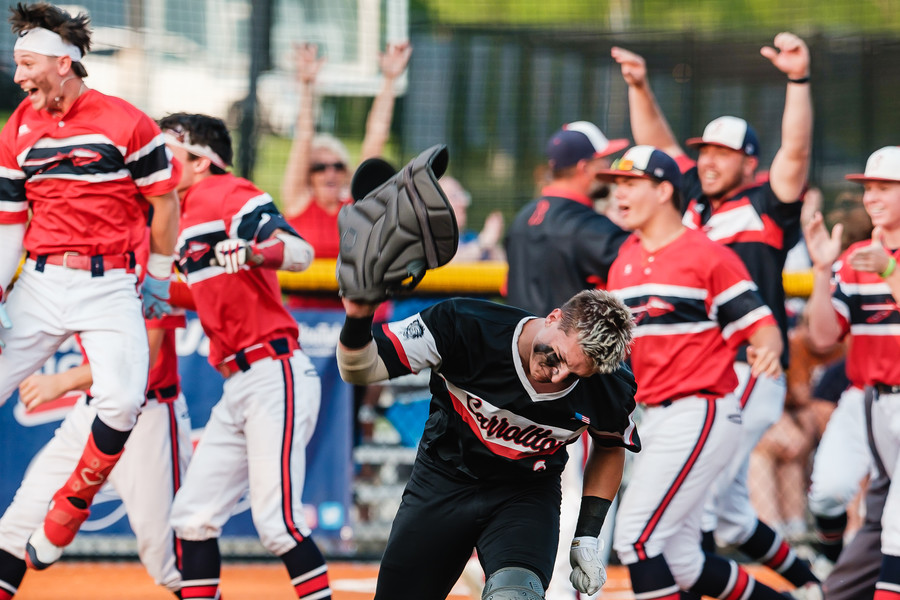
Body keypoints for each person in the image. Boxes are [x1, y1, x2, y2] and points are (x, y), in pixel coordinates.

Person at [612, 34, 821, 594]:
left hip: (748, 364)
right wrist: (639, 87)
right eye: (703, 151)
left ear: (748, 161)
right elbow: (653, 145)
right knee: (725, 514)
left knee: (679, 522)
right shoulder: (689, 210)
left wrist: (798, 82)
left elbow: (795, 153)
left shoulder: (766, 205)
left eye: (721, 152)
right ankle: (807, 585)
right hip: (701, 361)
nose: (707, 160)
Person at [0, 3, 181, 569]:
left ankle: (69, 508)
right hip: (41, 281)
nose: (18, 76)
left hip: (109, 285)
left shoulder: (127, 121)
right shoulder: (18, 127)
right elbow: (10, 222)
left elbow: (165, 202)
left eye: (27, 63)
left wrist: (156, 276)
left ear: (63, 63)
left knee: (125, 399)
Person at [336, 288, 640, 600]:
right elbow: (359, 368)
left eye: (575, 373)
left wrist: (587, 536)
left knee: (515, 595)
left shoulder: (608, 386)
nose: (557, 375)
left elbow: (609, 444)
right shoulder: (464, 325)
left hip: (524, 495)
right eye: (558, 357)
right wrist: (359, 315)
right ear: (553, 318)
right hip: (443, 481)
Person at [594, 145, 797, 600]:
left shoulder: (706, 255)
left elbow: (763, 327)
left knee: (636, 537)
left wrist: (765, 349)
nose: (619, 194)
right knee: (683, 560)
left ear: (665, 190)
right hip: (656, 415)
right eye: (615, 185)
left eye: (631, 184)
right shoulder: (624, 258)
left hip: (699, 409)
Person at [159, 112, 330, 600]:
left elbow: (299, 252)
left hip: (274, 371)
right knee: (192, 516)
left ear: (199, 160)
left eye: (167, 149)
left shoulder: (226, 191)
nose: (156, 157)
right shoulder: (178, 211)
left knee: (277, 524)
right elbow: (199, 292)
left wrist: (258, 252)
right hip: (240, 380)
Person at [0, 308, 192, 597]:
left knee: (168, 560)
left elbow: (146, 360)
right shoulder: (78, 268)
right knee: (16, 528)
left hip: (148, 415)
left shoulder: (152, 263)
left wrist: (62, 381)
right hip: (92, 409)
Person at [803, 145, 900, 600]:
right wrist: (822, 270)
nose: (872, 196)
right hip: (867, 399)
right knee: (829, 491)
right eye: (869, 188)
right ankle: (833, 568)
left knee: (896, 525)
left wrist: (891, 270)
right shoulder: (858, 255)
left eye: (885, 186)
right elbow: (823, 338)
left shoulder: (879, 259)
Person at [280, 40, 411, 309]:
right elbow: (303, 138)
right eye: (320, 167)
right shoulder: (298, 203)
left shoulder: (355, 205)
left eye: (337, 166)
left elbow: (375, 140)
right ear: (308, 175)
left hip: (357, 318)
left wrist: (389, 81)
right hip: (308, 321)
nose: (330, 172)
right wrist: (306, 87)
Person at [505, 121, 630, 316]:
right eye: (603, 160)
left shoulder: (521, 218)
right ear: (585, 168)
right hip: (568, 345)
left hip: (520, 343)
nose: (608, 167)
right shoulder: (590, 226)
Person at [442, 175, 505, 263]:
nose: (463, 203)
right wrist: (483, 242)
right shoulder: (429, 241)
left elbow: (505, 263)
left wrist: (492, 246)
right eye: (455, 196)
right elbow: (446, 262)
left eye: (463, 195)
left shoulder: (470, 238)